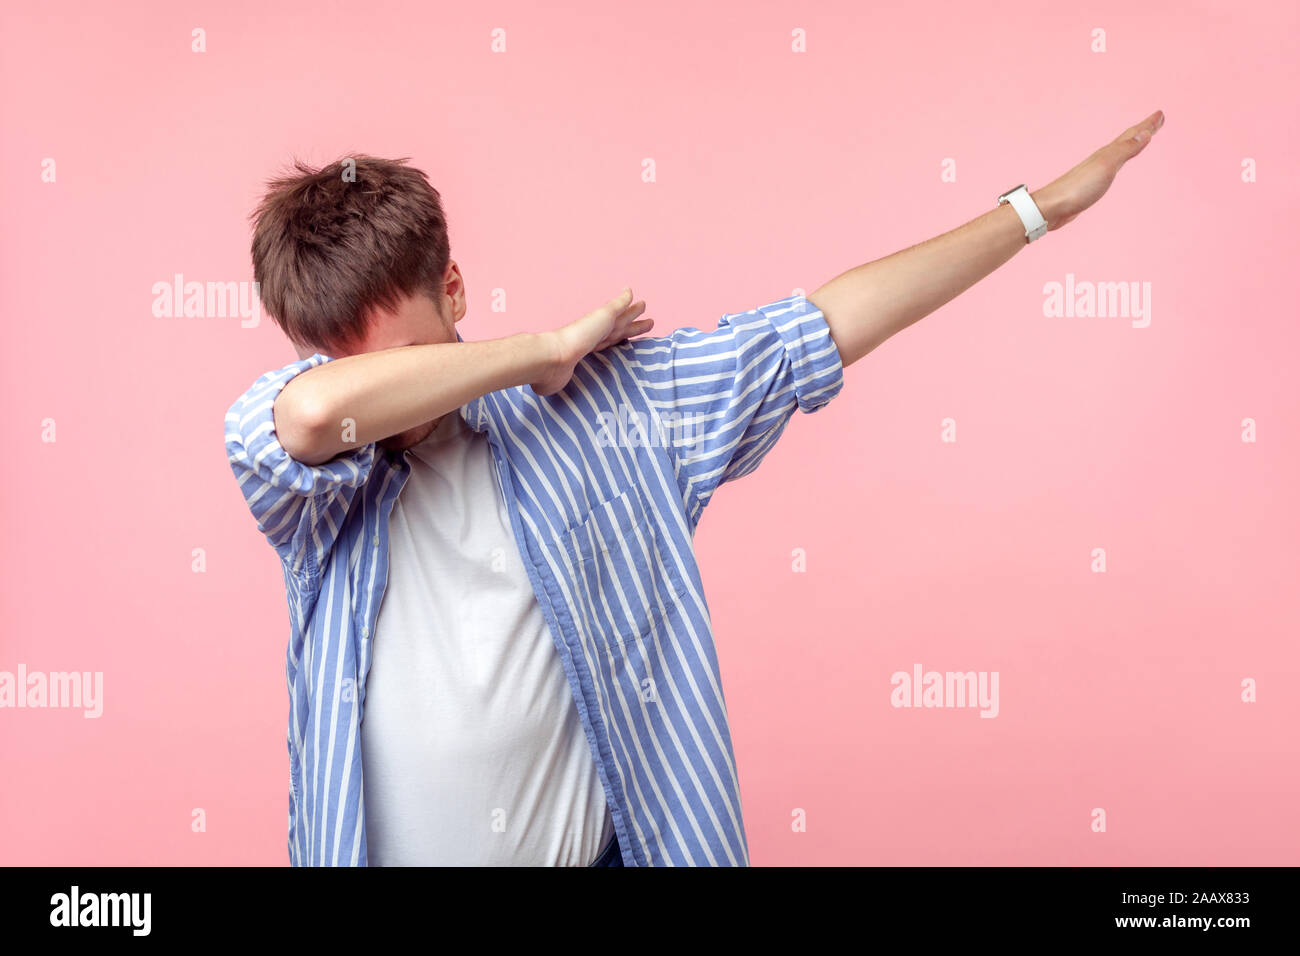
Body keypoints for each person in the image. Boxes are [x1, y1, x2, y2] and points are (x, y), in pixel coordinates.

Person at [224, 110, 1165, 866]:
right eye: (364, 377)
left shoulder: (612, 414)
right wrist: (541, 351)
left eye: (415, 365)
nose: (396, 406)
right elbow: (311, 418)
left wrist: (1038, 211)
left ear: (455, 289)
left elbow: (827, 323)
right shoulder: (313, 486)